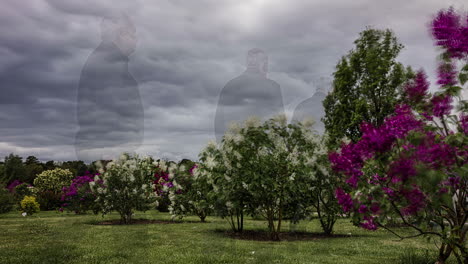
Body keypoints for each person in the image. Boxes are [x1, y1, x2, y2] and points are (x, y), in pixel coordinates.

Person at [75, 14, 143, 162]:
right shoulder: (107, 64)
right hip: (108, 151)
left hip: (108, 149)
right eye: (133, 34)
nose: (136, 39)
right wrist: (110, 151)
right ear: (120, 34)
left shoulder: (111, 62)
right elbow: (109, 111)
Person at [214, 48, 284, 143]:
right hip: (263, 146)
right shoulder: (273, 87)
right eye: (263, 62)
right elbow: (280, 122)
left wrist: (222, 146)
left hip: (236, 146)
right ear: (264, 64)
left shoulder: (231, 85)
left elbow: (219, 122)